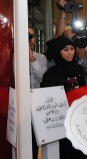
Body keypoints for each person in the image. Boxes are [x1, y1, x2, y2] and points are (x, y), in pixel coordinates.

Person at [41, 36, 87, 159]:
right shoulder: (51, 74)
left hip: (81, 121)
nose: (70, 52)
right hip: (61, 124)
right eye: (65, 49)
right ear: (57, 51)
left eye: (72, 49)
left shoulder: (81, 71)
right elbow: (47, 102)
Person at [28, 26, 47, 159]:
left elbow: (43, 79)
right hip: (19, 105)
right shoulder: (11, 55)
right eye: (27, 36)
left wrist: (32, 60)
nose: (30, 39)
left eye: (32, 36)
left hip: (37, 105)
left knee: (36, 141)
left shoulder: (41, 58)